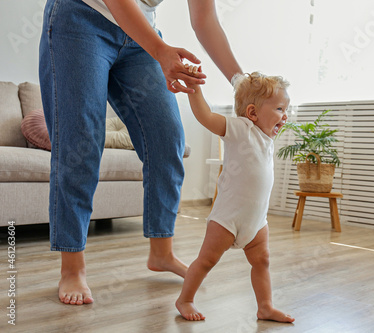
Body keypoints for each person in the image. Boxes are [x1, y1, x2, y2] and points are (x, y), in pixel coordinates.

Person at [39, 0, 242, 305]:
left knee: (167, 138)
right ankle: (72, 267)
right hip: (79, 19)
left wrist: (242, 83)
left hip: (139, 34)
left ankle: (162, 253)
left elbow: (205, 20)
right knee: (80, 142)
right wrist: (160, 50)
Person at [175, 70, 295, 323]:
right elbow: (206, 117)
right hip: (227, 219)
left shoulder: (267, 139)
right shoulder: (242, 129)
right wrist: (195, 88)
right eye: (280, 109)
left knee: (262, 261)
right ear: (252, 113)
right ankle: (185, 299)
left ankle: (265, 307)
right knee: (206, 260)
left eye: (287, 110)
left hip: (256, 221)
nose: (286, 116)